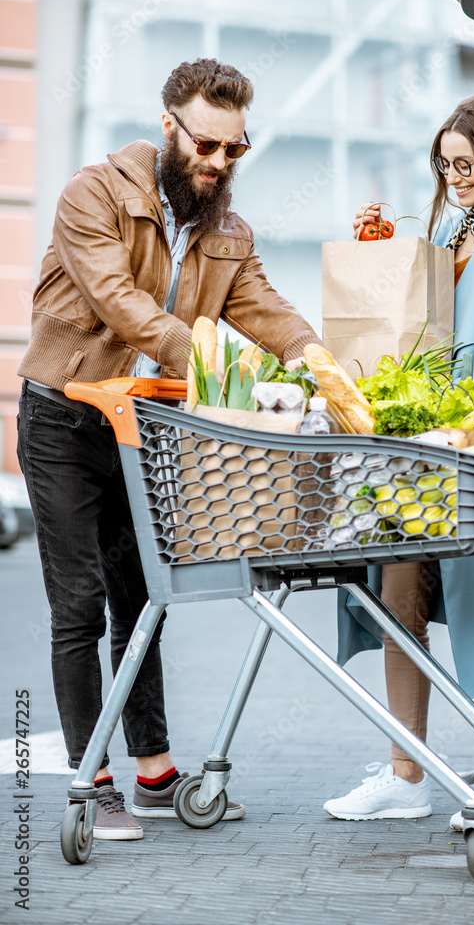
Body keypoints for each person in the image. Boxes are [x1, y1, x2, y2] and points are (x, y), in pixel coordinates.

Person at [17, 58, 321, 841]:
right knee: (78, 604)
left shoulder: (226, 232)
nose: (217, 164)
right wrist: (215, 362)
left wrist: (316, 357)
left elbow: (266, 308)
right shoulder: (93, 194)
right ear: (169, 125)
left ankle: (153, 773)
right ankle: (93, 784)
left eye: (233, 151)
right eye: (206, 145)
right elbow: (119, 303)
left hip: (143, 426)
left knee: (143, 598)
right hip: (65, 416)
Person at [324, 95, 474, 830]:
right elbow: (407, 327)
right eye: (443, 164)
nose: (452, 176)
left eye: (465, 164)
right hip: (428, 452)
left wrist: (447, 402)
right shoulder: (447, 232)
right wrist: (376, 246)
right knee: (399, 590)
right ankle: (405, 772)